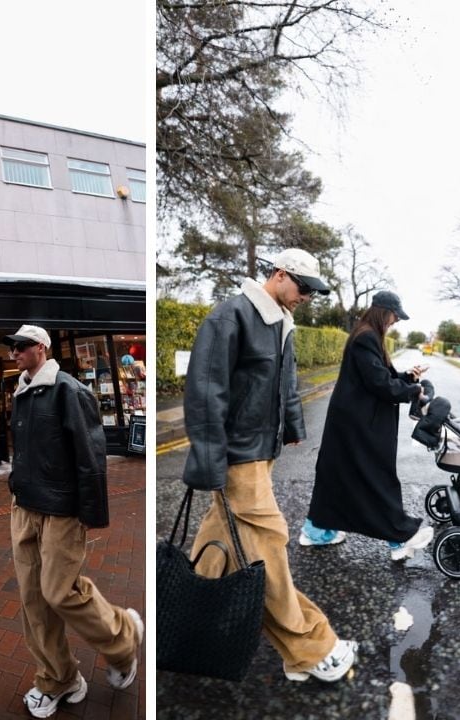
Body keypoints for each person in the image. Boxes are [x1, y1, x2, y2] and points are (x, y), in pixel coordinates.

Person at [183, 248, 358, 683]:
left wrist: (292, 425)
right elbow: (205, 393)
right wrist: (209, 462)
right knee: (269, 547)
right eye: (303, 288)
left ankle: (188, 623)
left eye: (312, 292)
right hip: (238, 458)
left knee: (221, 549)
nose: (307, 297)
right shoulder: (231, 317)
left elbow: (284, 382)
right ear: (280, 275)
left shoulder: (280, 321)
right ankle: (309, 647)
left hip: (262, 453)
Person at [4, 324, 144, 718]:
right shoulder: (21, 390)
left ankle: (123, 636)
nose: (14, 352)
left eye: (22, 346)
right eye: (12, 346)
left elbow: (90, 455)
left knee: (58, 591)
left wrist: (92, 514)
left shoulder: (69, 390)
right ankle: (59, 678)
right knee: (34, 601)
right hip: (25, 507)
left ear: (43, 349)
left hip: (61, 509)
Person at [300, 290, 434, 561]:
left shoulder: (366, 335)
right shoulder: (367, 338)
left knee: (339, 476)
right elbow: (379, 384)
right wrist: (413, 391)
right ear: (383, 312)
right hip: (360, 424)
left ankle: (315, 531)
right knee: (376, 477)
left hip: (351, 422)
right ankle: (399, 537)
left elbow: (381, 375)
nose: (395, 321)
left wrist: (407, 377)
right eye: (395, 316)